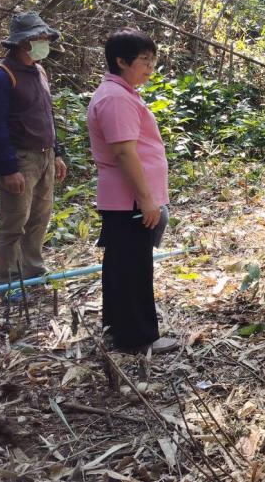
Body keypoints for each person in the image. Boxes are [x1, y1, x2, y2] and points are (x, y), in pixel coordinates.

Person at [87, 29, 176, 354]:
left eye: (153, 61)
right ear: (121, 61)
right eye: (144, 61)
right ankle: (138, 337)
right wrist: (147, 198)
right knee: (134, 267)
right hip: (129, 199)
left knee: (123, 265)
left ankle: (118, 329)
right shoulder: (115, 98)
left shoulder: (122, 93)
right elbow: (124, 153)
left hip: (127, 198)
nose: (150, 68)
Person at [0, 12, 67, 300]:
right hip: (20, 159)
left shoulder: (39, 71)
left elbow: (47, 114)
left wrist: (57, 152)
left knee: (39, 218)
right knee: (14, 222)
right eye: (39, 38)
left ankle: (33, 272)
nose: (44, 43)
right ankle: (8, 283)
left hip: (44, 156)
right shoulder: (1, 74)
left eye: (45, 38)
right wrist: (8, 168)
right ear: (23, 42)